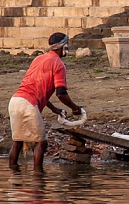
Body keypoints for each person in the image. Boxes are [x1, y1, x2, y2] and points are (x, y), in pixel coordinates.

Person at [8, 32, 82, 170]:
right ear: (63, 47)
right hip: (28, 104)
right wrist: (74, 107)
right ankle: (38, 179)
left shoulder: (39, 59)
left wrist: (54, 109)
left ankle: (14, 178)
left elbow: (37, 88)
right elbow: (61, 94)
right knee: (40, 143)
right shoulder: (58, 64)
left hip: (15, 101)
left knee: (17, 141)